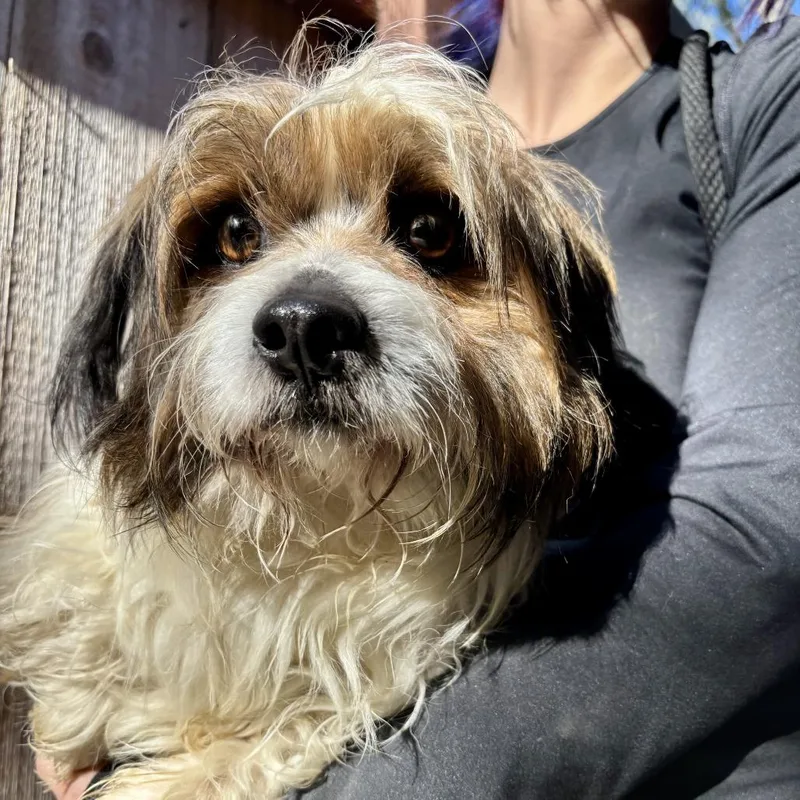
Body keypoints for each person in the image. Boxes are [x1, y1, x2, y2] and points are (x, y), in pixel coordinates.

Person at [39, 1, 800, 797]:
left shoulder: (754, 97)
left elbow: (768, 523)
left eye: (431, 233)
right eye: (239, 237)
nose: (302, 315)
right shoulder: (398, 84)